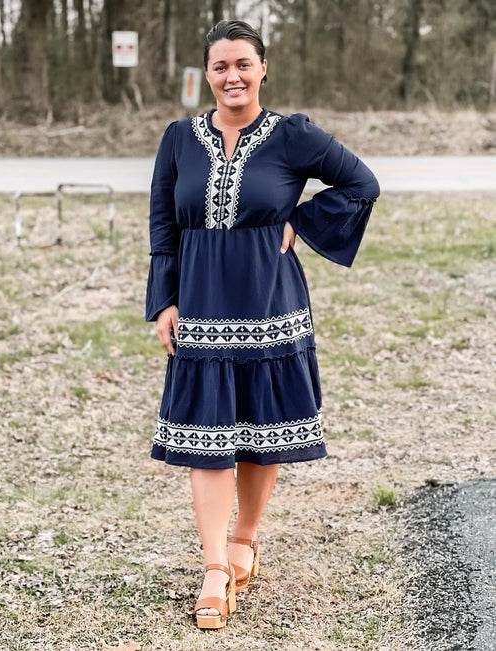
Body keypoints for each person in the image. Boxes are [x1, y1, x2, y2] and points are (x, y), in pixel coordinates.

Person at [145, 19, 380, 629]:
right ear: (207, 73)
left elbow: (361, 183)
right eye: (221, 66)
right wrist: (163, 302)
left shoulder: (292, 135)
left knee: (258, 425)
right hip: (199, 298)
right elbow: (163, 228)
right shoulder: (178, 139)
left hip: (269, 299)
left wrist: (302, 221)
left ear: (263, 69)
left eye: (243, 64)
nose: (232, 76)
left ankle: (246, 536)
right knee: (206, 436)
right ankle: (215, 567)